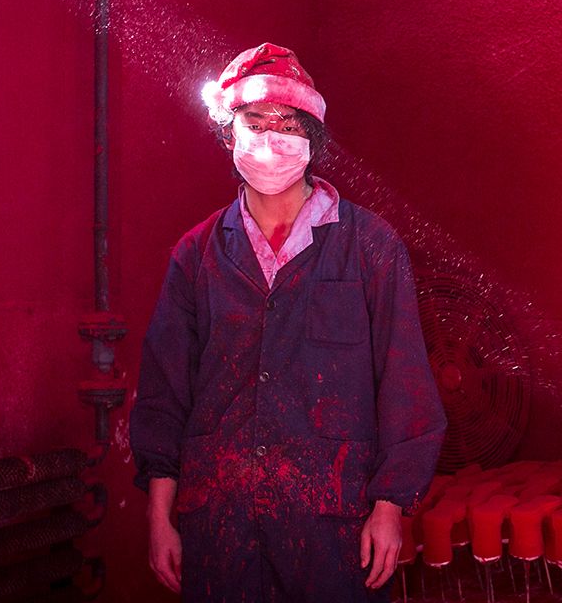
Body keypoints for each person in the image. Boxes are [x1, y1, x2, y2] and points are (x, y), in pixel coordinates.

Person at [129, 42, 446, 602]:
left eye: (288, 125)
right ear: (229, 135)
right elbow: (164, 393)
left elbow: (406, 385)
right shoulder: (196, 254)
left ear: (312, 142)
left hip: (333, 520)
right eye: (255, 123)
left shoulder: (371, 247)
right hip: (220, 520)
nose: (271, 139)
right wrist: (160, 517)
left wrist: (389, 507)